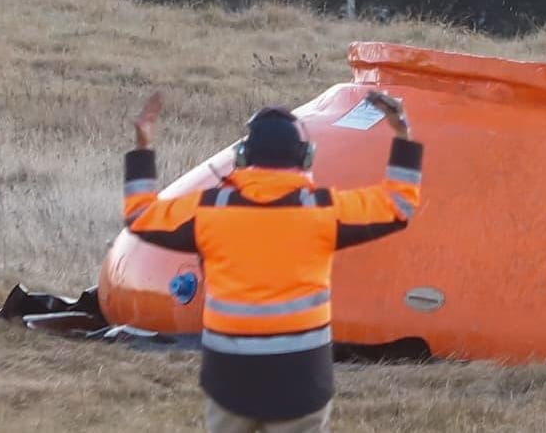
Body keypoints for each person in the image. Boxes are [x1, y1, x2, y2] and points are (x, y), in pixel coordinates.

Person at [122, 86, 423, 431]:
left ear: (242, 157)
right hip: (302, 382)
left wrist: (143, 147)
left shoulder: (210, 209)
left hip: (229, 381)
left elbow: (141, 215)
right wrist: (402, 134)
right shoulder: (323, 210)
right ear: (305, 157)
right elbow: (398, 206)